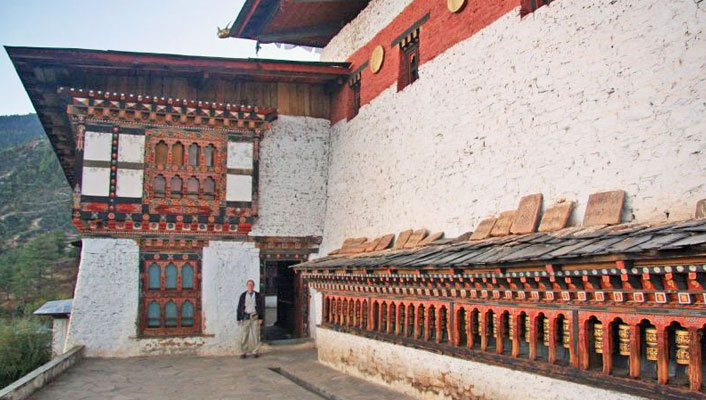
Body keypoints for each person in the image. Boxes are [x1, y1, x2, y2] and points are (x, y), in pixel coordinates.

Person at [237, 279, 264, 358]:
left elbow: (261, 307)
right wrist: (238, 318)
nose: (250, 286)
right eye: (249, 285)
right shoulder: (243, 295)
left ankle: (255, 351)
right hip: (245, 316)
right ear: (247, 286)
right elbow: (239, 307)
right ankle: (243, 352)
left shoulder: (258, 295)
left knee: (256, 334)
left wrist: (261, 318)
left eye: (252, 285)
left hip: (255, 316)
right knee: (244, 335)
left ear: (253, 286)